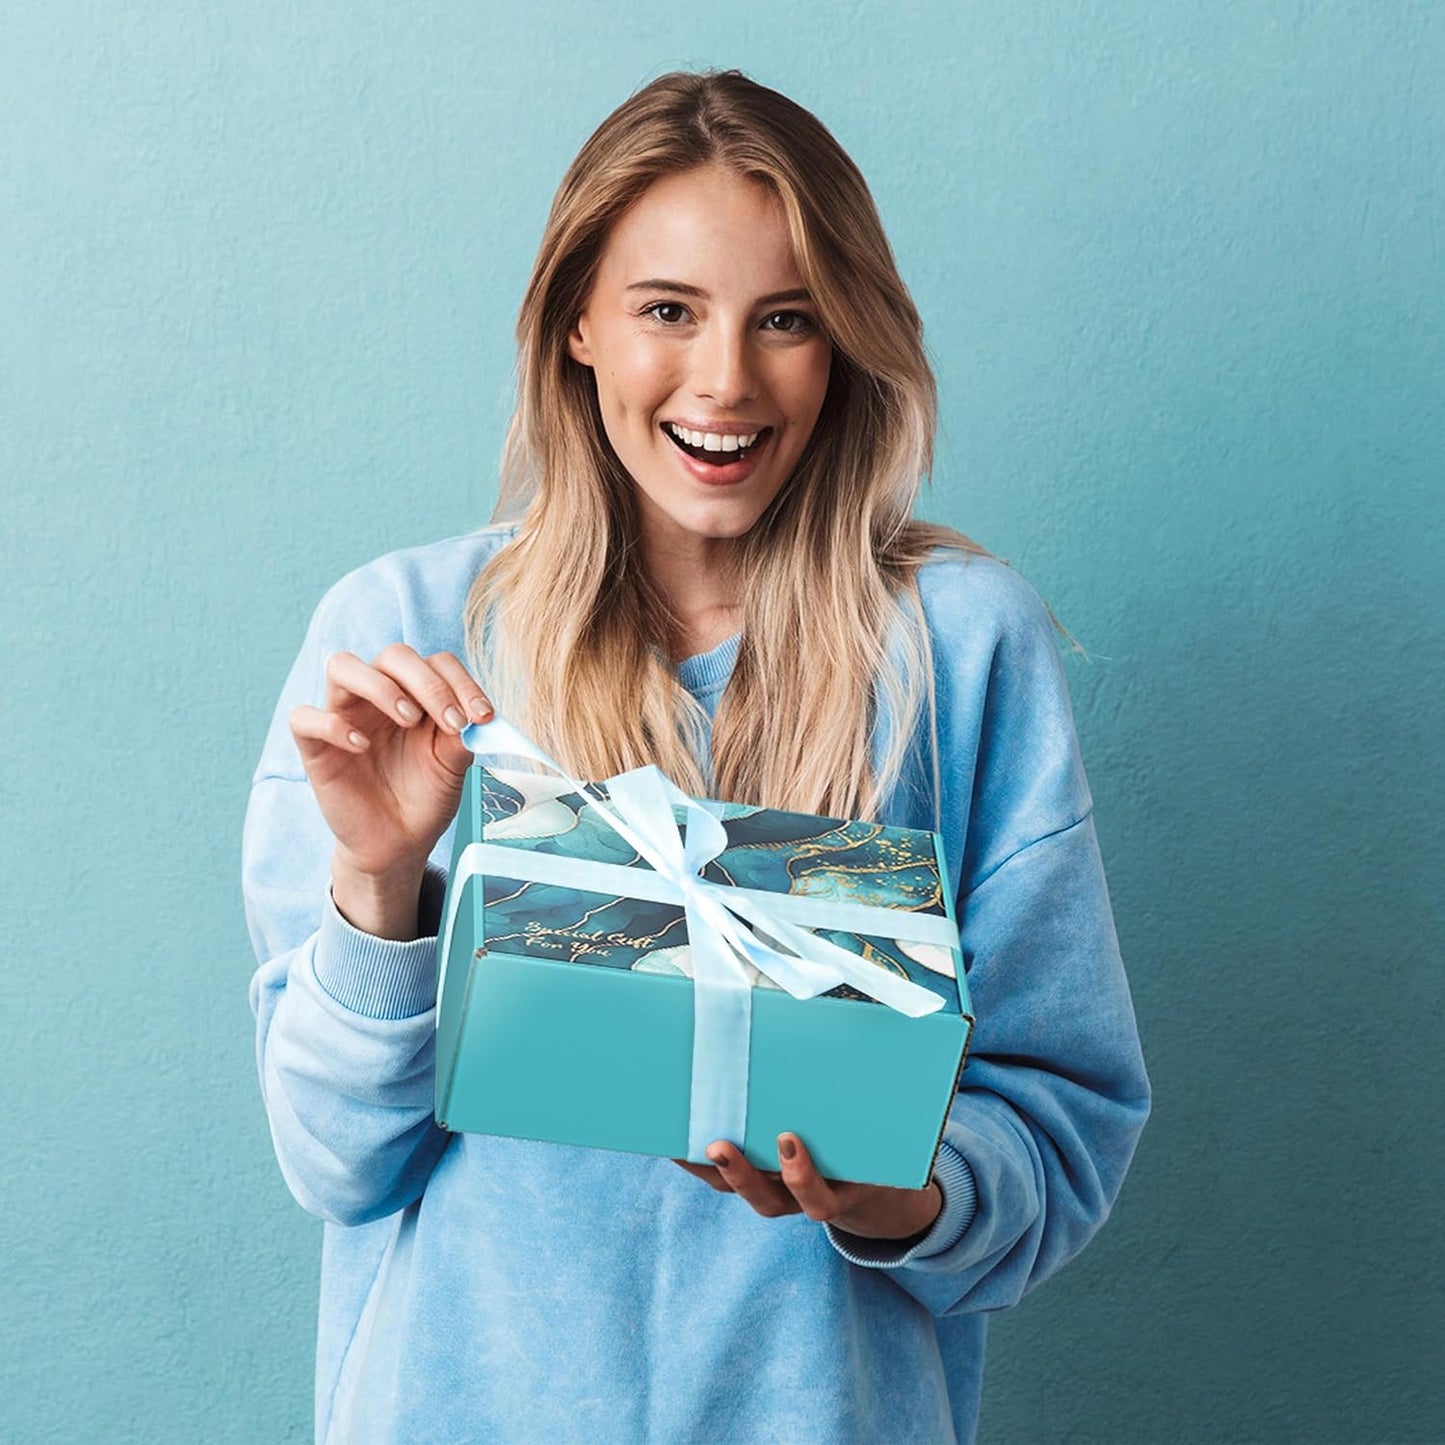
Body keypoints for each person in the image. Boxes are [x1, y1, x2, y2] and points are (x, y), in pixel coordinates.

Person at [244, 68, 1150, 1445]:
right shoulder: (405, 643)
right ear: (576, 330)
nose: (724, 379)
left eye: (785, 321)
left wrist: (898, 1195)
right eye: (668, 309)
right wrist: (382, 882)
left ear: (843, 345)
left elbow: (1059, 1120)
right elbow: (335, 1161)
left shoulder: (960, 651)